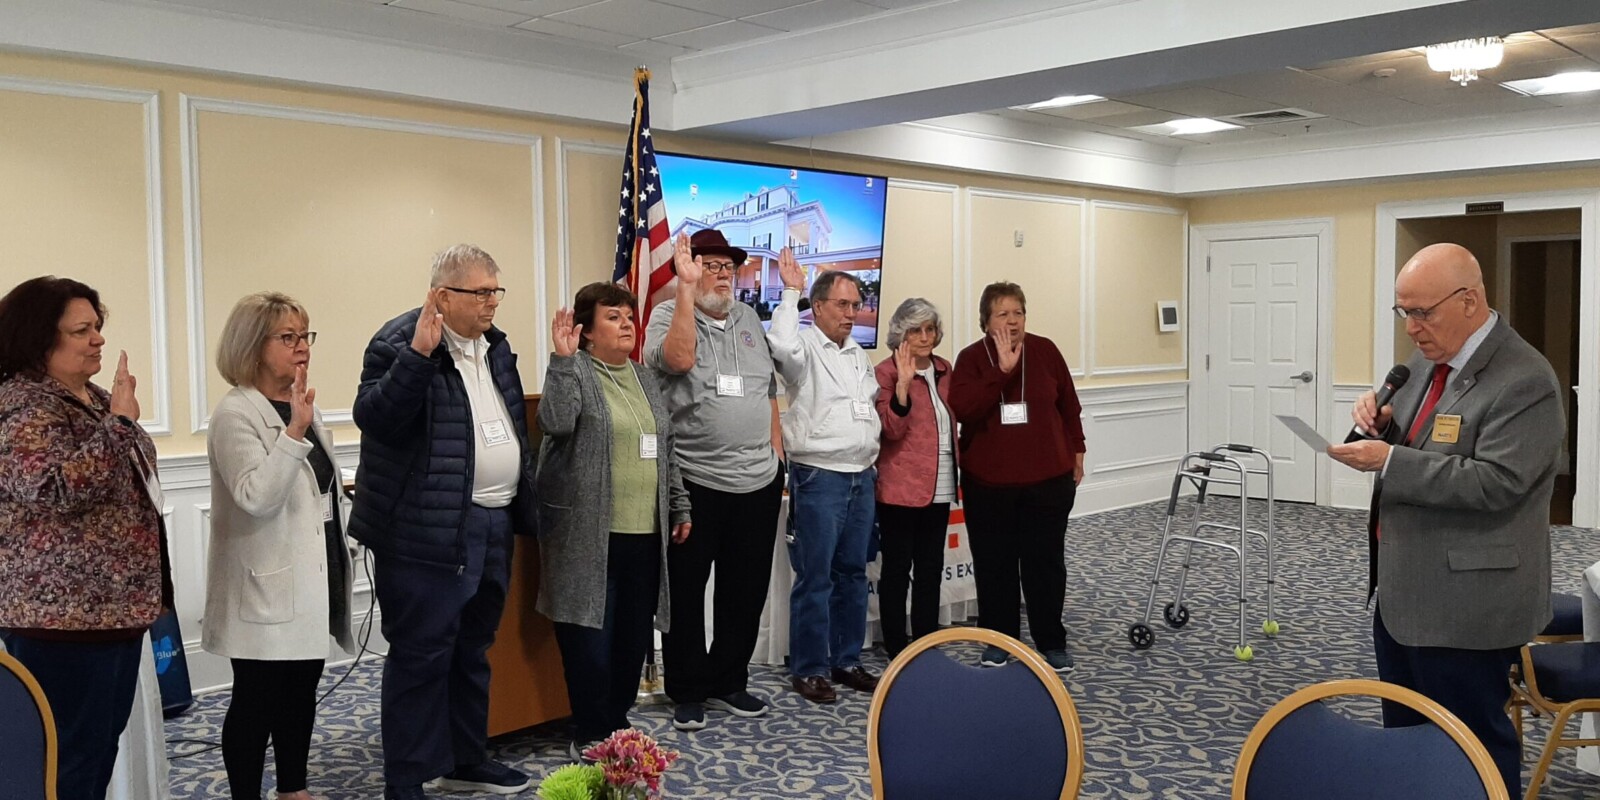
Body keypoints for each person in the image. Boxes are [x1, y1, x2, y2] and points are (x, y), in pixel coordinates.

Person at [1328, 242, 1563, 797]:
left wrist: (1390, 460)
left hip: (1468, 602)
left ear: (1469, 301)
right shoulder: (1424, 365)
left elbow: (1497, 482)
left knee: (1470, 742)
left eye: (1422, 312)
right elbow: (1428, 445)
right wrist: (1384, 428)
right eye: (1403, 311)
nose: (1411, 327)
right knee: (1408, 737)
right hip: (1404, 593)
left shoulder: (1525, 378)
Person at [349, 245, 539, 800]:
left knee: (473, 648)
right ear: (441, 295)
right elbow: (377, 420)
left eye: (495, 290)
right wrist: (417, 358)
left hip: (493, 522)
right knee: (420, 655)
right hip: (424, 532)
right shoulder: (396, 343)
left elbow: (509, 426)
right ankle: (406, 779)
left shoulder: (495, 347)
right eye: (480, 292)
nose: (492, 302)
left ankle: (464, 759)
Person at [0, 276, 172, 800]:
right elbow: (51, 490)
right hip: (59, 619)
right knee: (65, 760)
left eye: (97, 326)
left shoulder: (94, 399)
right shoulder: (22, 406)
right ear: (39, 339)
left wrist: (117, 421)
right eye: (81, 330)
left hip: (112, 611)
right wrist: (120, 424)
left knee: (98, 749)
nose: (98, 339)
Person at [203, 292, 356, 800]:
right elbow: (256, 497)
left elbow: (320, 491)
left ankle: (293, 788)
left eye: (304, 335)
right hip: (262, 586)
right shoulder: (236, 414)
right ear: (252, 345)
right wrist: (294, 432)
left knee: (300, 691)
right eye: (288, 337)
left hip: (311, 575)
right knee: (256, 701)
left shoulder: (300, 403)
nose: (302, 347)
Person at [538, 282, 691, 757]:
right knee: (590, 642)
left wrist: (679, 503)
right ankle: (590, 730)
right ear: (586, 330)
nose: (627, 324)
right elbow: (555, 422)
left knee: (631, 638)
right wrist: (561, 362)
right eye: (613, 317)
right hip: (589, 535)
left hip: (644, 535)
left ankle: (618, 723)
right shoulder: (575, 370)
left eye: (629, 316)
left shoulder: (644, 377)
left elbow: (665, 448)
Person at [645, 230, 785, 732]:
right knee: (686, 592)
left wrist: (777, 458)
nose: (724, 275)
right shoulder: (666, 316)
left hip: (757, 481)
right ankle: (687, 689)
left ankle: (729, 680)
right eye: (711, 266)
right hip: (695, 480)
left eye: (729, 267)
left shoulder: (748, 318)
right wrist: (686, 291)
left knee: (744, 589)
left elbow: (768, 392)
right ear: (690, 269)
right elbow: (678, 360)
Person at [948, 281, 1084, 673]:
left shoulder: (1046, 350)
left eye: (1018, 313)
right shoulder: (972, 358)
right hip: (989, 485)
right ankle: (999, 641)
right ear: (985, 321)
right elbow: (965, 409)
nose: (1012, 321)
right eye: (1002, 314)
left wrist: (1077, 451)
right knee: (995, 565)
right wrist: (1001, 372)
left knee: (1045, 564)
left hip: (1048, 480)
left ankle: (1051, 640)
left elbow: (1069, 406)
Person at [768, 250, 882, 703]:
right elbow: (779, 346)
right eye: (842, 305)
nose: (851, 313)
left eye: (856, 305)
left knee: (853, 573)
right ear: (817, 307)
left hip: (861, 475)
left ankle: (846, 659)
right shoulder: (804, 347)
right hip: (820, 476)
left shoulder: (857, 354)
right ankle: (810, 667)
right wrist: (789, 291)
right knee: (816, 577)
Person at [873, 298, 958, 660]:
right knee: (896, 571)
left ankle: (925, 640)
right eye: (916, 330)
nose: (925, 337)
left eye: (930, 329)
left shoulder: (944, 368)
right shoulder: (885, 372)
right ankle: (896, 645)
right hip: (900, 489)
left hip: (940, 485)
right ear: (901, 334)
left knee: (930, 569)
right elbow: (890, 430)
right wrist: (904, 387)